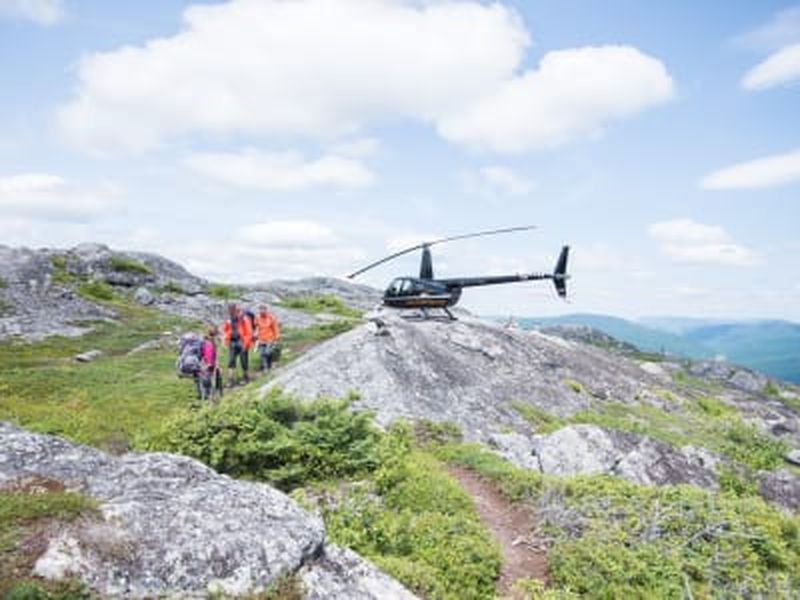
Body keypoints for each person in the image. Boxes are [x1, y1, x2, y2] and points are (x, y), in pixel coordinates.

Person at [222, 303, 253, 386]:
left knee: (244, 360)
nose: (231, 312)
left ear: (236, 310)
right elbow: (225, 330)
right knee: (231, 361)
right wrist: (226, 340)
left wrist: (245, 343)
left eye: (232, 310)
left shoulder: (244, 319)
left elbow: (249, 332)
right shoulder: (229, 319)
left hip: (242, 342)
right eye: (230, 310)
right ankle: (231, 380)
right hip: (232, 342)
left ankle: (246, 377)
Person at [255, 304, 281, 372]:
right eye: (260, 310)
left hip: (269, 338)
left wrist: (277, 335)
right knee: (262, 353)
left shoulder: (271, 317)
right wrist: (256, 334)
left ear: (266, 310)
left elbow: (275, 327)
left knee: (267, 352)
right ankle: (265, 367)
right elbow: (257, 327)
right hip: (261, 339)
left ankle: (272, 362)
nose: (262, 311)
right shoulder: (257, 317)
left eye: (263, 310)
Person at [197, 325, 220, 402]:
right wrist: (210, 364)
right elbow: (209, 355)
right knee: (208, 385)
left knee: (203, 385)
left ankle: (205, 399)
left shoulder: (205, 341)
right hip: (207, 367)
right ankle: (208, 401)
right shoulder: (209, 344)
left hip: (202, 365)